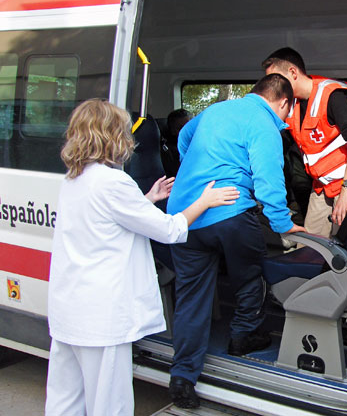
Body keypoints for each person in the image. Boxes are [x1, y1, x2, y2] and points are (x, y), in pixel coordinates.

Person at [45, 99, 239, 416]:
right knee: (109, 404)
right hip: (101, 318)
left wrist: (146, 199)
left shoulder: (73, 179)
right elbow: (169, 229)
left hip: (69, 311)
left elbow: (107, 222)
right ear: (111, 136)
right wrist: (205, 200)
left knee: (65, 400)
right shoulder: (114, 182)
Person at [166, 74, 305, 409]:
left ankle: (183, 377)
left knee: (191, 295)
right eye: (289, 111)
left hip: (184, 213)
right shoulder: (265, 124)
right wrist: (285, 226)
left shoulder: (215, 111)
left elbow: (184, 136)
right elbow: (268, 180)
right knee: (252, 271)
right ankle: (242, 336)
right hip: (229, 210)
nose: (287, 119)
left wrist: (196, 171)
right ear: (284, 102)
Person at [262, 47, 347, 237]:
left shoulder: (331, 94)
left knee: (342, 244)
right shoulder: (291, 106)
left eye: (276, 80)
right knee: (309, 244)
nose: (273, 87)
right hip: (323, 184)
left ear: (292, 73)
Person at [161, 108, 191, 177]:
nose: (186, 132)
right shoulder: (169, 152)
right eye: (181, 128)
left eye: (188, 127)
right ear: (172, 130)